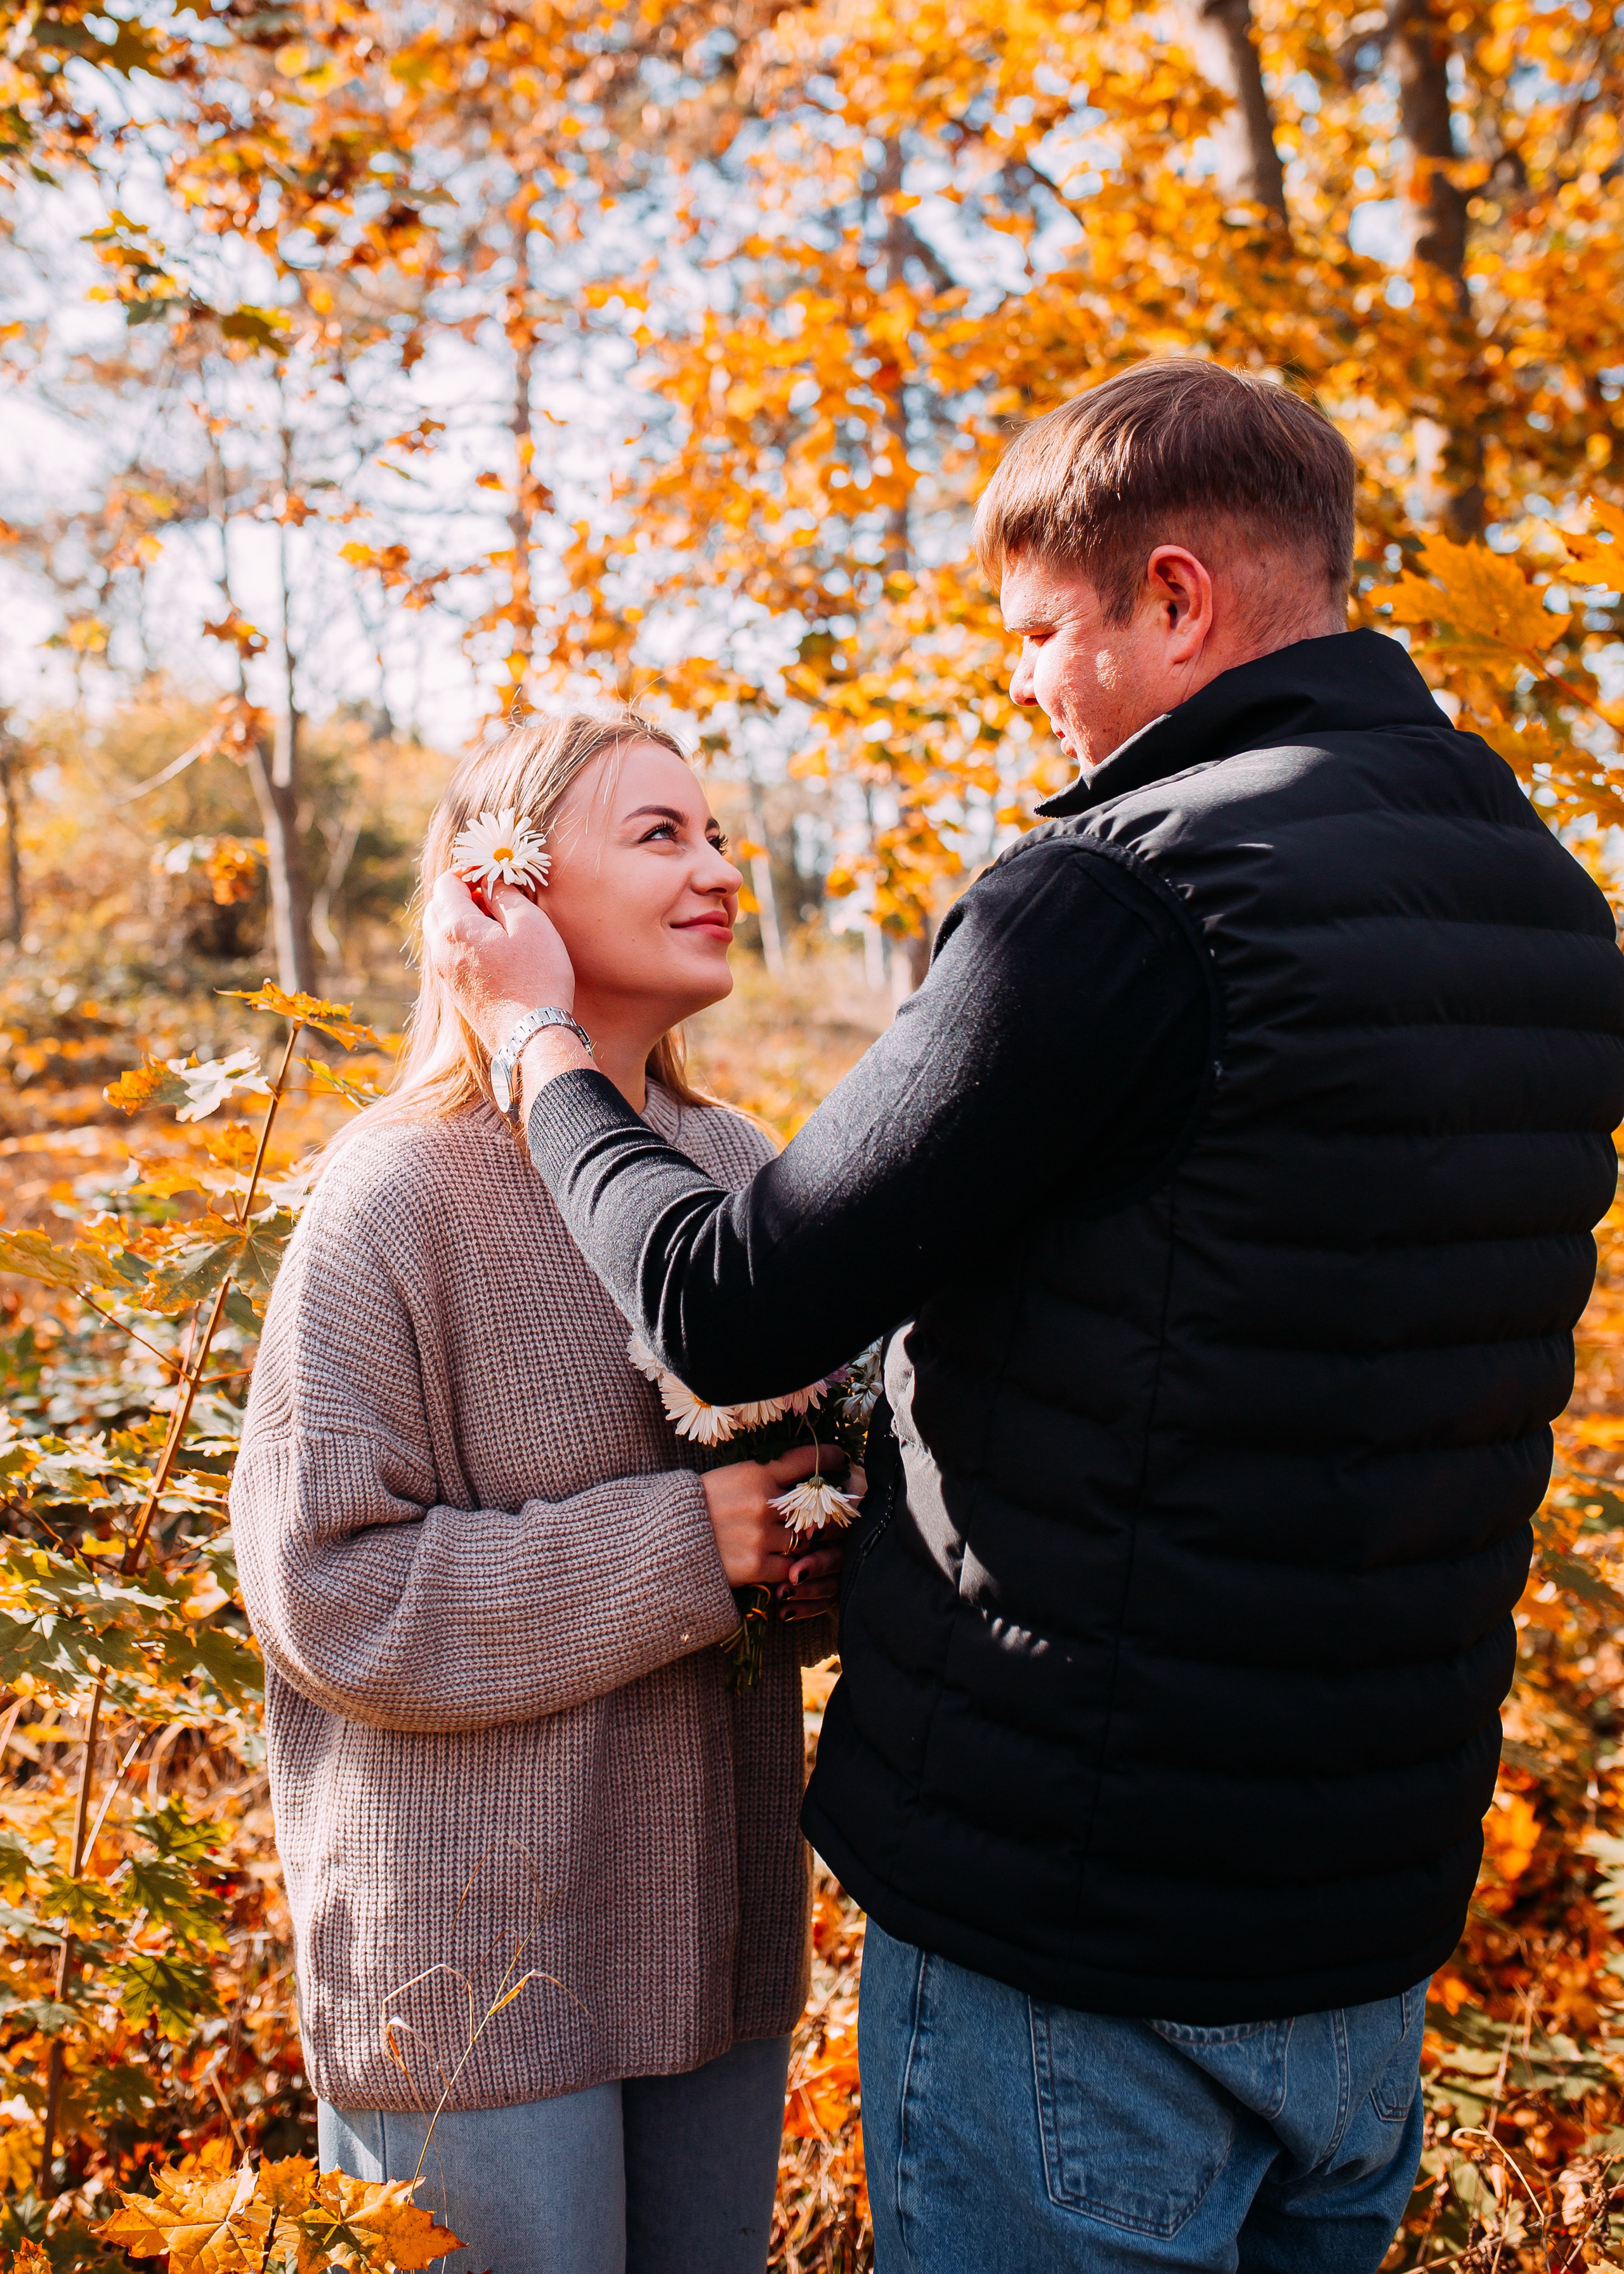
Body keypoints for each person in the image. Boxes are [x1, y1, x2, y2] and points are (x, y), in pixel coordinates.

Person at [422, 362, 1624, 2273]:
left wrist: (543, 1049)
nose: (1024, 687)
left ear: (1174, 599)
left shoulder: (1128, 892)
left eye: (1042, 633)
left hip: (1081, 1939)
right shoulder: (1550, 906)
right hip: (1360, 1939)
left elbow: (731, 1304)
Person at [232, 707, 848, 2274]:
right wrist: (686, 1544)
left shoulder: (736, 1173)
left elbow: (798, 1503)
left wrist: (815, 1558)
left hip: (710, 1943)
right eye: (661, 835)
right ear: (502, 889)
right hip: (471, 1975)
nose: (715, 868)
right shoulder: (394, 1194)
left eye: (714, 833)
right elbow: (327, 1594)